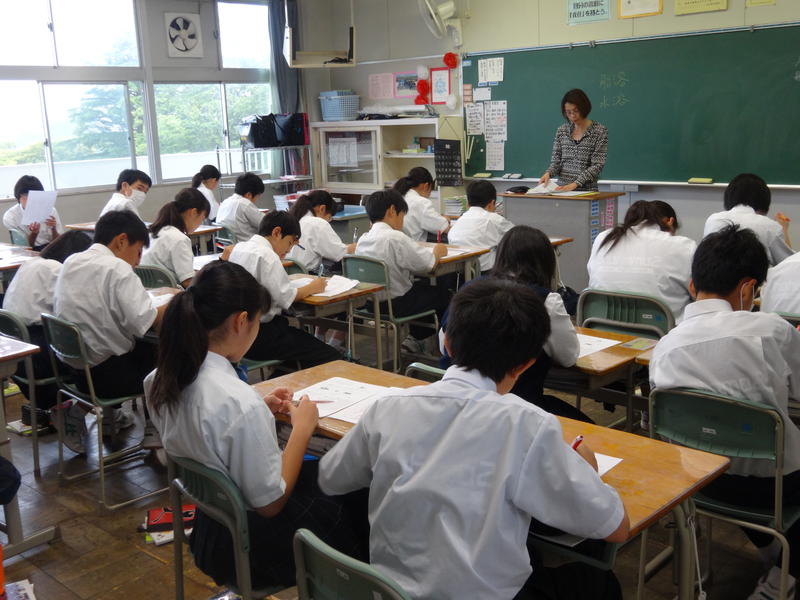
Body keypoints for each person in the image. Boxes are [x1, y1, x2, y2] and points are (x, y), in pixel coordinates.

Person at [319, 278, 629, 600]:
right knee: (597, 582)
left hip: (388, 591)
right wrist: (587, 470)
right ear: (525, 365)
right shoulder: (527, 425)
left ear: (448, 345)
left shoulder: (387, 408)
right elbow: (616, 527)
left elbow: (331, 477)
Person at [145, 260, 366, 589]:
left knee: (336, 474)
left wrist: (259, 408)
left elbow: (209, 434)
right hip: (249, 550)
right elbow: (271, 503)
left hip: (209, 529)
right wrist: (302, 429)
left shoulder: (160, 378)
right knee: (357, 491)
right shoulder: (237, 402)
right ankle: (356, 583)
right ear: (241, 321)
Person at [650, 225, 800, 600]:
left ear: (691, 285)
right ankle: (781, 578)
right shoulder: (772, 331)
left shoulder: (664, 346)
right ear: (748, 289)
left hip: (696, 482)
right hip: (771, 490)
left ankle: (774, 556)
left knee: (743, 447)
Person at [439, 225, 586, 421]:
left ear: (500, 255)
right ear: (546, 263)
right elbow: (568, 356)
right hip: (520, 407)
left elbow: (443, 344)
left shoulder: (470, 289)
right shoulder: (545, 300)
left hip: (459, 404)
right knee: (589, 429)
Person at [53, 210, 170, 453]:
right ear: (121, 241)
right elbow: (145, 321)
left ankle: (105, 418)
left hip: (74, 370)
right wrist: (173, 302)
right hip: (108, 378)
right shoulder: (117, 268)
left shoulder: (72, 261)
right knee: (165, 354)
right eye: (138, 251)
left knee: (124, 342)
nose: (138, 261)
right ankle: (154, 429)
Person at [228, 210, 341, 367]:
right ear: (277, 232)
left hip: (236, 333)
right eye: (289, 243)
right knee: (331, 356)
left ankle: (284, 375)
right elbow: (286, 298)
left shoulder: (239, 248)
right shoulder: (268, 256)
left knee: (301, 347)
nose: (288, 251)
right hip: (260, 335)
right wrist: (313, 287)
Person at [3, 230, 92, 408]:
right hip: (39, 357)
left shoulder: (31, 263)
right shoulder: (58, 270)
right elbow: (79, 311)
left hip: (17, 351)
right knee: (95, 350)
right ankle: (94, 408)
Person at [356, 189, 448, 355]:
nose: (402, 222)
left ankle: (417, 340)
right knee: (443, 294)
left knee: (420, 290)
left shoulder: (363, 239)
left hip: (370, 304)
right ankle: (440, 346)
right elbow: (427, 265)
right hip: (397, 305)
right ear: (392, 210)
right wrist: (438, 251)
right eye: (402, 216)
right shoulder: (395, 237)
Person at [587, 200, 696, 321]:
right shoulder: (683, 246)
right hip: (663, 329)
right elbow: (698, 293)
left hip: (599, 325)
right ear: (669, 221)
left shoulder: (603, 238)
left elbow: (593, 278)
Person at [703, 173, 793, 266]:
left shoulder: (713, 220)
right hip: (756, 275)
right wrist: (784, 229)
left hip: (715, 275)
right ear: (764, 203)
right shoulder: (770, 227)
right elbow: (789, 264)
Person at [539, 88, 608, 192]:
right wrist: (548, 173)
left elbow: (597, 165)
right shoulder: (562, 131)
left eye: (576, 111)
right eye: (568, 112)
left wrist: (575, 184)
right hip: (561, 189)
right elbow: (556, 162)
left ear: (584, 108)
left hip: (586, 191)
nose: (572, 115)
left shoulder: (599, 131)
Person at [140, 188, 210, 288]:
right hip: (170, 293)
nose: (200, 224)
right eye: (202, 219)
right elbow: (187, 282)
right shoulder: (179, 239)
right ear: (194, 212)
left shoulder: (154, 232)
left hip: (148, 291)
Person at [447, 180, 514, 273]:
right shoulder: (494, 219)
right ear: (492, 203)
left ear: (468, 203)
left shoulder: (459, 221)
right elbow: (519, 238)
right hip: (486, 274)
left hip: (459, 274)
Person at [286, 190, 355, 273]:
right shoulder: (317, 223)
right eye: (329, 217)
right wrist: (356, 246)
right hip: (308, 275)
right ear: (322, 209)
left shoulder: (295, 217)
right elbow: (339, 254)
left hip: (288, 273)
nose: (329, 221)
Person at [3, 175, 63, 250]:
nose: (31, 199)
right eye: (26, 195)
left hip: (51, 247)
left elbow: (59, 242)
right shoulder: (11, 217)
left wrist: (53, 228)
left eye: (36, 195)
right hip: (29, 251)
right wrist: (34, 233)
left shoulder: (50, 210)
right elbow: (25, 247)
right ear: (19, 196)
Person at [393, 166, 449, 242]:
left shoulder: (400, 195)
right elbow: (443, 227)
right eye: (430, 190)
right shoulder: (421, 202)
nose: (429, 195)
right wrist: (446, 220)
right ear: (426, 186)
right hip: (415, 246)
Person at [214, 172, 265, 242]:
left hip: (226, 245)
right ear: (249, 194)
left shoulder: (225, 202)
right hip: (247, 244)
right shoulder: (244, 204)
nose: (256, 201)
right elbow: (266, 223)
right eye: (257, 197)